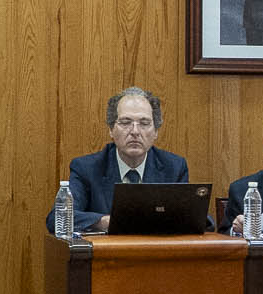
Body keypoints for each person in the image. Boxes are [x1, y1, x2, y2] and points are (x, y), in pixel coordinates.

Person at [59, 86, 190, 233]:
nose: (135, 131)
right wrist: (106, 222)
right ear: (111, 129)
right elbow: (59, 218)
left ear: (156, 132)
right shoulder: (87, 168)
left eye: (144, 123)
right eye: (126, 122)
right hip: (109, 248)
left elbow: (195, 217)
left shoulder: (173, 167)